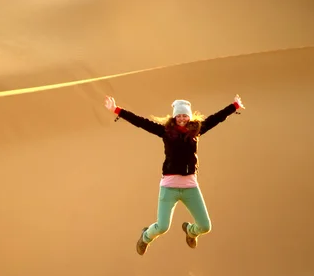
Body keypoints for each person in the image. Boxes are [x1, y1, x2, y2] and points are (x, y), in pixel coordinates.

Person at [104, 94, 245, 255]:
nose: (182, 118)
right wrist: (116, 110)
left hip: (190, 187)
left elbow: (216, 118)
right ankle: (145, 237)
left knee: (205, 226)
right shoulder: (165, 131)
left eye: (185, 115)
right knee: (162, 227)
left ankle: (191, 231)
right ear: (174, 116)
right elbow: (141, 122)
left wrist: (234, 106)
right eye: (179, 115)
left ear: (189, 117)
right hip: (169, 188)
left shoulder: (196, 131)